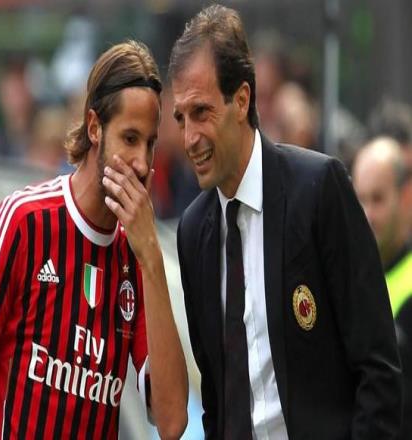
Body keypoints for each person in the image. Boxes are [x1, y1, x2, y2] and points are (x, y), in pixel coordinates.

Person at [0, 40, 188, 440]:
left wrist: (153, 258)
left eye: (150, 143)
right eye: (130, 138)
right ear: (94, 127)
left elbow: (172, 422)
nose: (142, 162)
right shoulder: (24, 221)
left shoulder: (138, 256)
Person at [169, 5, 401, 439]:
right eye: (180, 118)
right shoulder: (193, 232)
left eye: (201, 112)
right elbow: (216, 401)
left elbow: (378, 368)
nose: (189, 138)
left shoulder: (317, 189)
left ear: (242, 100)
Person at [352, 136, 412, 439]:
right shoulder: (351, 278)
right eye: (359, 200)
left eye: (377, 199)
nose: (366, 215)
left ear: (406, 197)